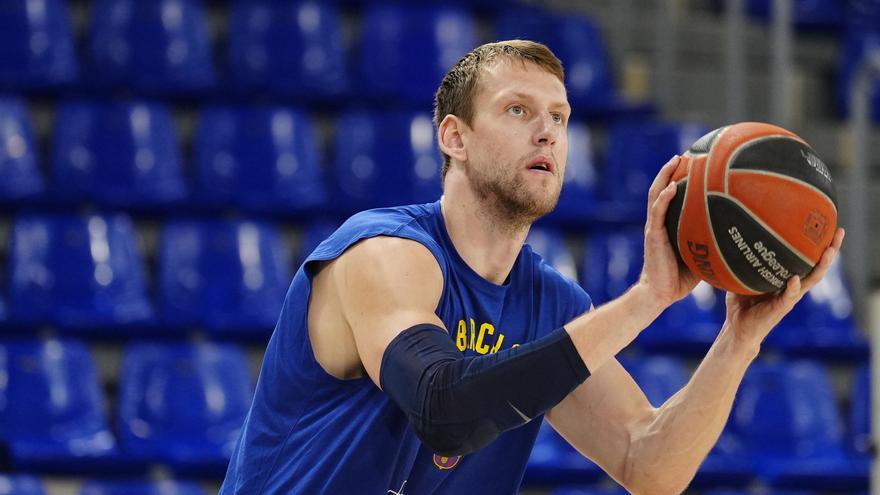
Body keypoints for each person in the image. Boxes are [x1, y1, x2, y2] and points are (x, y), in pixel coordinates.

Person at [219, 40, 845, 494]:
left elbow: (649, 466)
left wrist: (738, 341)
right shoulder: (382, 252)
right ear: (454, 138)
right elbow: (444, 410)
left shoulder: (550, 302)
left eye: (560, 118)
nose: (547, 131)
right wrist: (648, 298)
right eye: (518, 110)